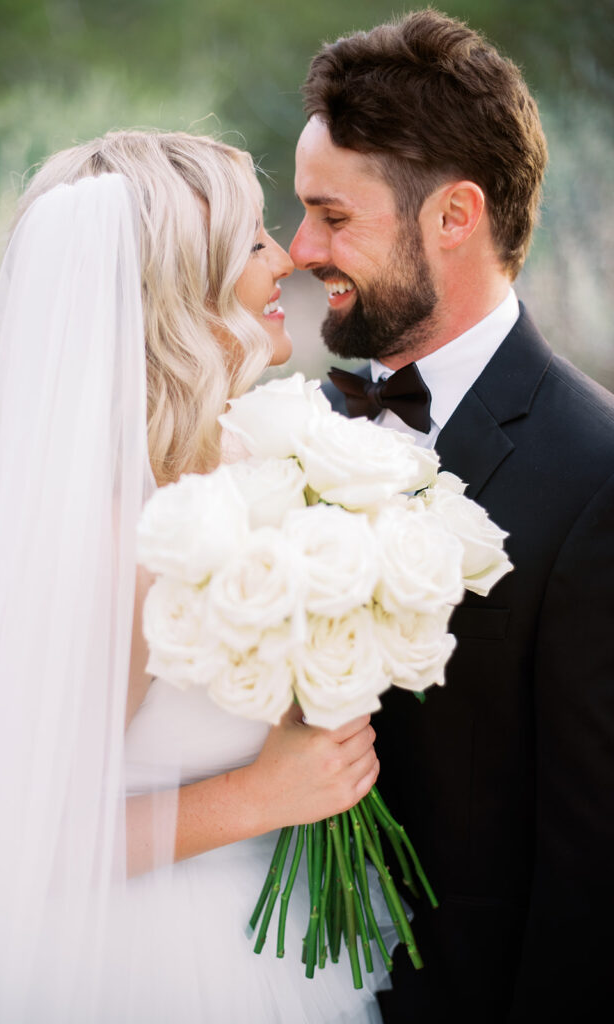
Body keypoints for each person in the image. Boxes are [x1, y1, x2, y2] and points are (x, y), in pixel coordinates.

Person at [0, 131, 394, 1023]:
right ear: (178, 290)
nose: (284, 258)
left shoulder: (243, 460)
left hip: (279, 935)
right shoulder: (118, 528)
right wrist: (259, 795)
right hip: (153, 966)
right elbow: (15, 842)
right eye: (250, 242)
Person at [290, 9, 614, 1023]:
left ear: (455, 216)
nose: (301, 249)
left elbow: (593, 868)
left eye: (333, 217)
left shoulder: (596, 472)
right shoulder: (294, 430)